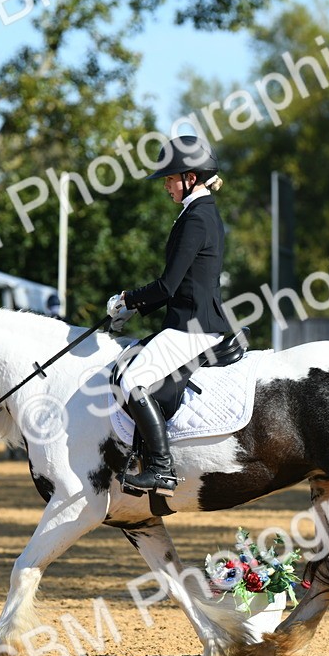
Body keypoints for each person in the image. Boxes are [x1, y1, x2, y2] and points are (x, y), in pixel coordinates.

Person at [105, 134, 228, 497]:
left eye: (170, 179)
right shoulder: (198, 212)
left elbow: (168, 285)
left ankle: (161, 468)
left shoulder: (197, 217)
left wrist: (128, 299)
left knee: (133, 381)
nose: (167, 186)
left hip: (193, 327)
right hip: (190, 321)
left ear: (191, 177)